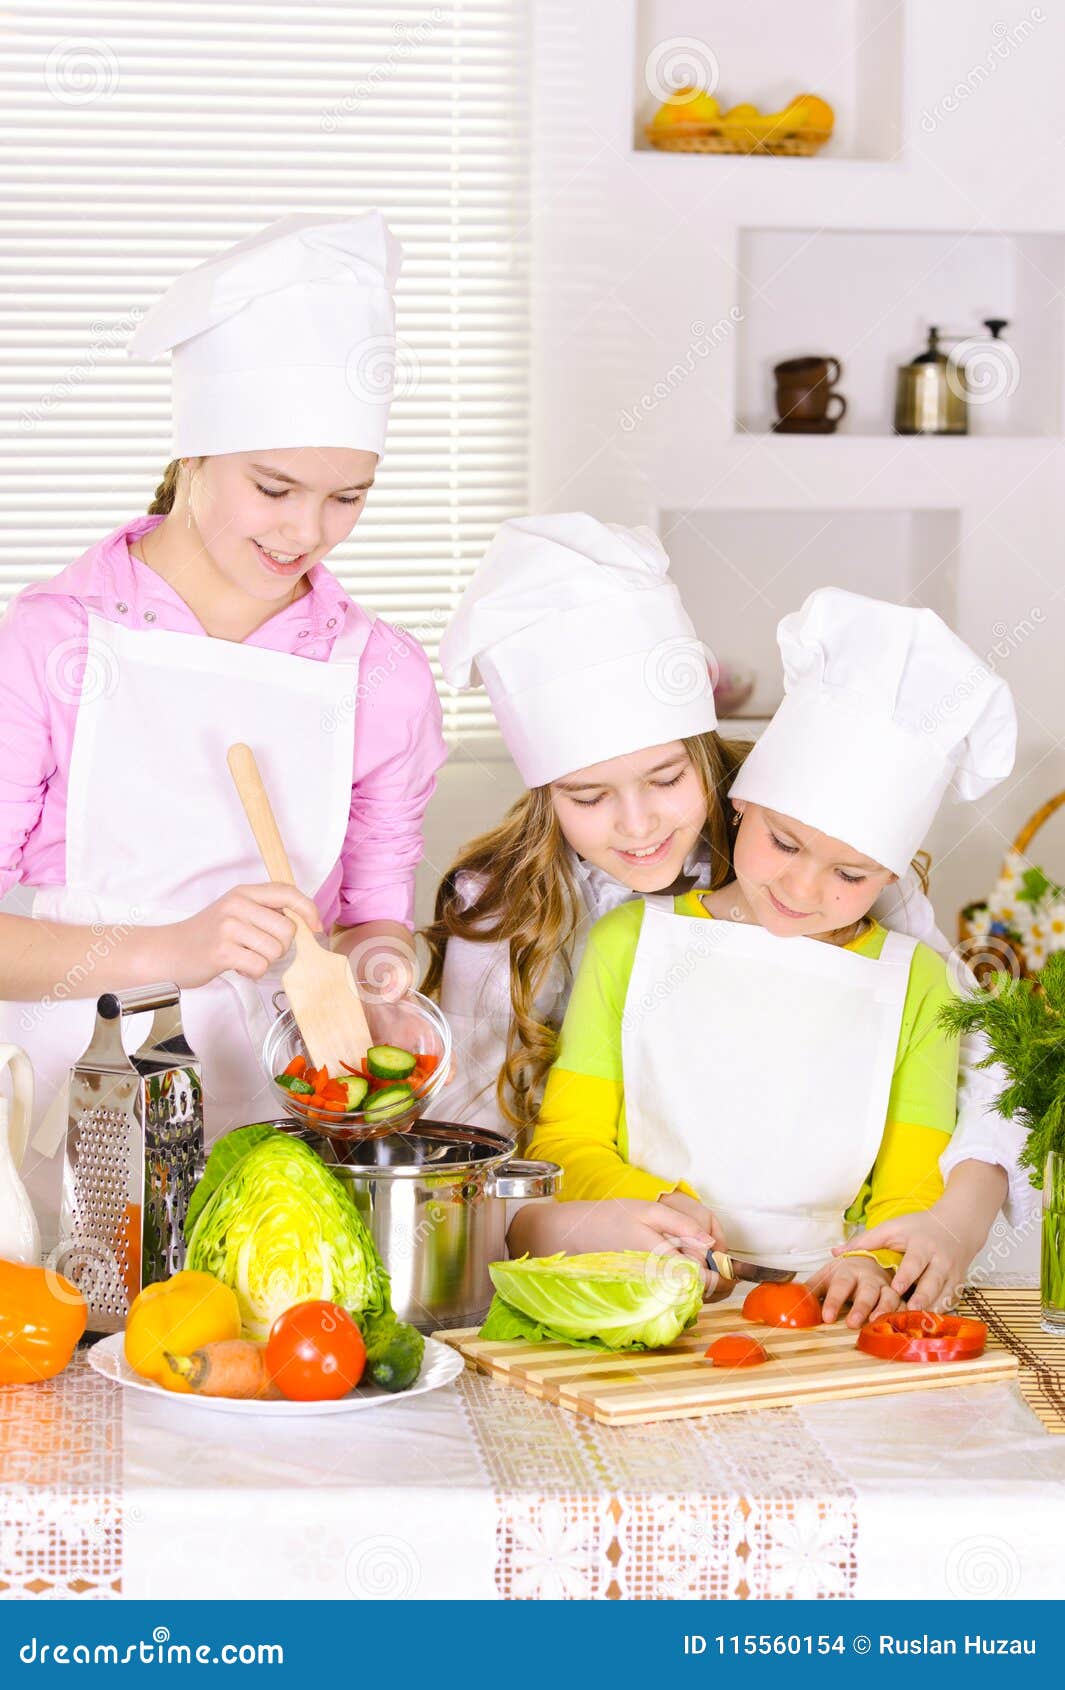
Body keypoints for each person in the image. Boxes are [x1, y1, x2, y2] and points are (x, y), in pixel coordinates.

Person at [0, 212, 444, 1248]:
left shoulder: (378, 674)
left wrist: (380, 982)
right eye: (274, 488)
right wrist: (179, 947)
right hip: (61, 1130)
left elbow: (376, 919)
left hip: (272, 1143)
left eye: (348, 499)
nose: (304, 533)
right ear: (194, 449)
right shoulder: (54, 643)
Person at [525, 588, 1019, 1324]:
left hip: (819, 1310)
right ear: (739, 805)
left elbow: (910, 1184)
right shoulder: (629, 942)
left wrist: (874, 1261)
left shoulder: (917, 982)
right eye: (782, 842)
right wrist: (654, 1213)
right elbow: (568, 1140)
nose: (800, 886)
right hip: (643, 1280)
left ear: (892, 876)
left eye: (850, 875)